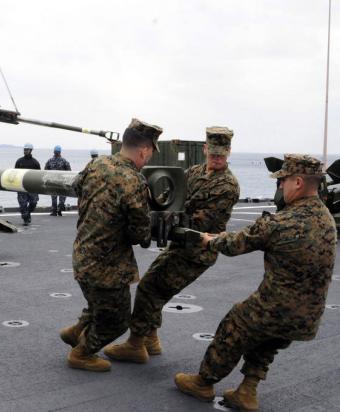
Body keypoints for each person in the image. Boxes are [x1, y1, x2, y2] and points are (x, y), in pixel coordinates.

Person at [174, 154, 337, 411]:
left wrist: (208, 240)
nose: (280, 186)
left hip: (275, 308)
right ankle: (247, 391)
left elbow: (233, 244)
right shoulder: (327, 218)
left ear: (297, 182)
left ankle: (203, 382)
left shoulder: (281, 222)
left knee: (234, 324)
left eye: (282, 181)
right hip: (307, 317)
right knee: (267, 340)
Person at [103, 126, 240, 363]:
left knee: (150, 288)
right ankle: (150, 340)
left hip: (199, 250)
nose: (216, 158)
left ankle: (136, 344)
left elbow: (204, 221)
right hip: (182, 244)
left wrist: (161, 220)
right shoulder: (194, 172)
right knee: (154, 288)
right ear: (205, 148)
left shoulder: (227, 185)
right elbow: (172, 197)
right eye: (212, 152)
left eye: (221, 154)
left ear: (228, 152)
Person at [60, 118, 162, 372]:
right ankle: (82, 352)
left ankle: (76, 330)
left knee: (99, 301)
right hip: (107, 266)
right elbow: (140, 234)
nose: (147, 159)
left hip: (82, 256)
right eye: (149, 154)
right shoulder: (134, 181)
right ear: (144, 150)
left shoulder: (96, 164)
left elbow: (76, 186)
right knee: (117, 320)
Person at [14, 143, 41, 226]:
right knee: (23, 205)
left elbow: (39, 175)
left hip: (32, 187)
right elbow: (15, 173)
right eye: (24, 149)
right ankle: (26, 219)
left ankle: (27, 213)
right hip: (21, 187)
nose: (25, 151)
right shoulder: (19, 161)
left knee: (34, 203)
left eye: (27, 150)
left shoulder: (35, 162)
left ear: (30, 150)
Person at [44, 145, 71, 216]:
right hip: (61, 182)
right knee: (62, 197)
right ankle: (59, 209)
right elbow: (69, 171)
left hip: (52, 182)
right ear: (60, 152)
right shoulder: (64, 161)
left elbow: (45, 171)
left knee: (54, 197)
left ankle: (54, 211)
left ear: (54, 152)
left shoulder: (49, 161)